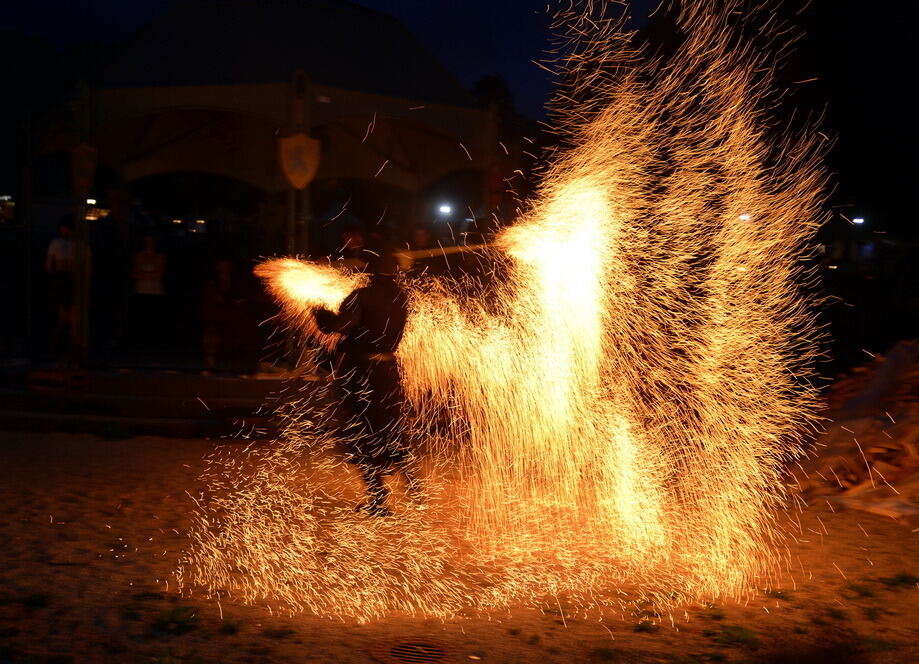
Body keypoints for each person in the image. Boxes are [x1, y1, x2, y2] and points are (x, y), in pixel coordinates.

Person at [314, 251, 416, 516]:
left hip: (361, 371)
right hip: (388, 369)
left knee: (360, 432)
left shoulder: (362, 296)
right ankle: (413, 484)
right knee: (390, 426)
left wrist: (319, 312)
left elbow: (341, 325)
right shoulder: (401, 297)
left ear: (369, 273)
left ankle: (378, 498)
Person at [45, 217, 90, 363]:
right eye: (63, 228)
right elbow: (48, 264)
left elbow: (88, 266)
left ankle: (71, 350)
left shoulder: (81, 245)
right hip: (62, 280)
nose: (65, 231)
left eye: (67, 228)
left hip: (73, 280)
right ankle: (59, 349)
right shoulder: (56, 243)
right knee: (63, 316)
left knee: (73, 317)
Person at [131, 234, 167, 349]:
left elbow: (160, 274)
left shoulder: (160, 257)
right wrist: (151, 274)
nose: (149, 243)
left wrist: (145, 274)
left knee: (154, 318)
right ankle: (141, 343)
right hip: (141, 291)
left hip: (155, 292)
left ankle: (154, 343)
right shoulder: (138, 256)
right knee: (142, 318)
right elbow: (135, 274)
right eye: (147, 241)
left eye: (151, 241)